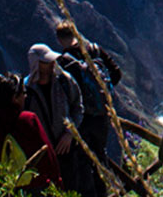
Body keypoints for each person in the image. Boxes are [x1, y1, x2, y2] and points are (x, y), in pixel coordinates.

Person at [57, 21, 122, 197]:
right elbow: (116, 73)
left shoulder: (63, 62)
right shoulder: (94, 49)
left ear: (59, 39)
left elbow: (63, 95)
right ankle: (108, 191)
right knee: (101, 155)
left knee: (83, 162)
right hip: (102, 115)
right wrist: (103, 94)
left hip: (82, 118)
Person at [0, 73, 62, 193]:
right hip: (31, 188)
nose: (25, 97)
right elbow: (47, 156)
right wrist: (57, 183)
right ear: (15, 97)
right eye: (23, 93)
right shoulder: (28, 120)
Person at [25, 44, 90, 197]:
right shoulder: (26, 90)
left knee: (70, 190)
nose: (52, 64)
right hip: (42, 156)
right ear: (36, 64)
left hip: (66, 150)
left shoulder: (65, 81)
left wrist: (70, 133)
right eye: (46, 62)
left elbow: (78, 108)